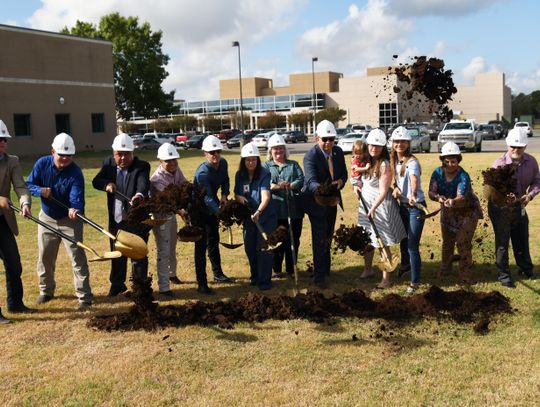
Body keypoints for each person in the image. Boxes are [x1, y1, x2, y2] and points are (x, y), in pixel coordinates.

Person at [26, 133, 93, 309]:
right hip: (47, 217)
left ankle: (84, 297)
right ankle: (46, 291)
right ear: (52, 151)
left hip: (69, 220)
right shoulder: (42, 164)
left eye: (68, 155)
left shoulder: (75, 172)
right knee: (45, 256)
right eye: (61, 155)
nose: (64, 158)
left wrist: (74, 207)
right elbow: (29, 184)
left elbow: (77, 194)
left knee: (77, 257)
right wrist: (39, 191)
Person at [92, 133, 151, 296]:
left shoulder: (142, 166)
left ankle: (140, 288)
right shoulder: (108, 164)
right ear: (114, 153)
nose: (123, 158)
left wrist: (139, 195)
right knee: (117, 252)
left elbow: (143, 184)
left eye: (127, 154)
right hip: (116, 218)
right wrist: (107, 184)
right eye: (119, 154)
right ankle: (117, 285)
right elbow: (96, 181)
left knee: (138, 253)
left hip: (137, 218)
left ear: (133, 153)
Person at [487, 128, 540, 288]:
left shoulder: (531, 162)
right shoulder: (499, 164)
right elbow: (491, 191)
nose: (516, 149)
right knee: (503, 241)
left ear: (525, 146)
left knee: (521, 237)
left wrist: (529, 195)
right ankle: (504, 275)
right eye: (513, 146)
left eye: (520, 147)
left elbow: (537, 181)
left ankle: (525, 268)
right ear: (507, 145)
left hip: (519, 204)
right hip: (500, 207)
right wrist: (504, 198)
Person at [357, 129, 406, 289]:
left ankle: (386, 279)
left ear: (383, 147)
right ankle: (368, 270)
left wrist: (373, 208)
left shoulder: (384, 164)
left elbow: (384, 191)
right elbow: (360, 181)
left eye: (378, 146)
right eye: (372, 145)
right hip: (366, 207)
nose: (374, 149)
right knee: (367, 240)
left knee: (382, 242)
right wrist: (356, 187)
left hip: (380, 208)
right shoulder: (366, 161)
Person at [428, 141, 483, 284]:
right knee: (447, 243)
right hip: (448, 211)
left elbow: (461, 195)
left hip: (467, 211)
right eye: (447, 161)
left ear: (458, 160)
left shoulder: (463, 176)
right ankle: (445, 270)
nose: (451, 164)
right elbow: (431, 192)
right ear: (442, 161)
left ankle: (466, 275)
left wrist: (453, 201)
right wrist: (438, 197)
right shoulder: (437, 173)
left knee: (463, 242)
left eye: (454, 161)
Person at [303, 120, 347, 288]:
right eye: (325, 139)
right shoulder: (311, 156)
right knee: (319, 237)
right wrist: (326, 188)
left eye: (331, 139)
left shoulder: (338, 152)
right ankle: (319, 276)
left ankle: (326, 270)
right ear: (317, 139)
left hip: (332, 202)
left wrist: (341, 182)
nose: (328, 143)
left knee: (328, 236)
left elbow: (343, 173)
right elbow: (311, 181)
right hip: (316, 202)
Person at [0, 120, 34, 323]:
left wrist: (25, 203)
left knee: (14, 263)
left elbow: (20, 186)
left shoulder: (12, 161)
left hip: (3, 220)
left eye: (4, 139)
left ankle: (16, 304)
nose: (3, 142)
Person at [193, 135, 233, 294]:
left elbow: (226, 180)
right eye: (211, 152)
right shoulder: (202, 173)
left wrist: (224, 195)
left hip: (213, 204)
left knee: (214, 240)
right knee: (201, 246)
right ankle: (201, 283)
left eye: (217, 151)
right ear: (205, 153)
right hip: (198, 208)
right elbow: (208, 198)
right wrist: (222, 214)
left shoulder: (223, 163)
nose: (215, 155)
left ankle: (218, 274)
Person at [389, 126, 426, 294]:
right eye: (397, 141)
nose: (400, 144)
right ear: (392, 143)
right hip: (402, 207)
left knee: (412, 245)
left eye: (403, 141)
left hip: (414, 208)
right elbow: (399, 179)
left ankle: (415, 282)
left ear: (408, 143)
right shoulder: (395, 161)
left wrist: (412, 193)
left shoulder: (412, 162)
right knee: (403, 240)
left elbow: (413, 178)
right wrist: (396, 188)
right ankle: (406, 266)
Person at [235, 142, 277, 290]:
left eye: (253, 159)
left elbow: (266, 196)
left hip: (265, 216)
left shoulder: (264, 173)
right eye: (248, 159)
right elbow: (237, 194)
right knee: (249, 247)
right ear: (243, 161)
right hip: (249, 216)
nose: (251, 162)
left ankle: (265, 280)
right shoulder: (239, 175)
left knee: (263, 248)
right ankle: (255, 276)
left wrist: (259, 211)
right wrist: (241, 199)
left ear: (258, 160)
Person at [262, 134, 304, 278]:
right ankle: (276, 269)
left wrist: (291, 185)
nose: (278, 151)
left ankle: (292, 269)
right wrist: (273, 186)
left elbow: (301, 179)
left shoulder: (293, 165)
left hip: (293, 210)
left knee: (293, 240)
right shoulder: (266, 166)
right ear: (270, 150)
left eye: (280, 148)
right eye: (275, 149)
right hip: (275, 211)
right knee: (276, 240)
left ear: (284, 149)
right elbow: (263, 181)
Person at [150, 143, 186, 296]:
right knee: (163, 250)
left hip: (173, 213)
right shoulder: (156, 179)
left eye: (174, 160)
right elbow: (170, 201)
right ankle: (164, 286)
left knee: (172, 245)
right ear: (160, 161)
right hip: (161, 216)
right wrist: (181, 211)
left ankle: (172, 274)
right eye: (168, 161)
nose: (172, 163)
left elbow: (183, 186)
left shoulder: (176, 170)